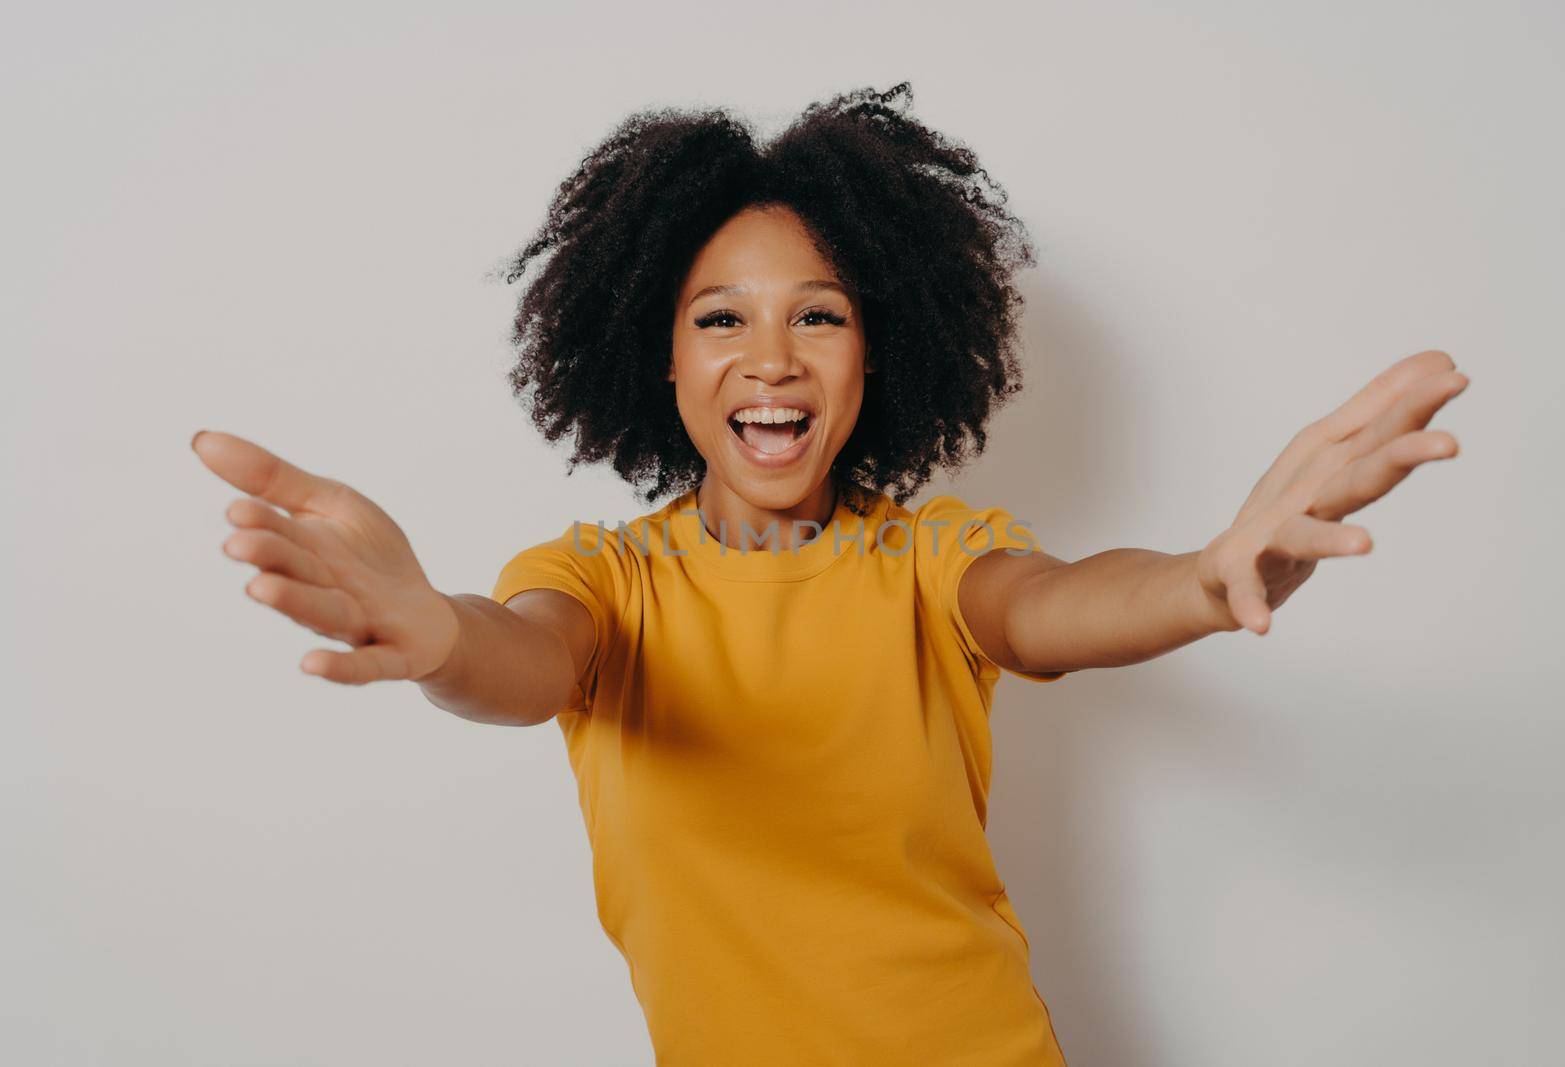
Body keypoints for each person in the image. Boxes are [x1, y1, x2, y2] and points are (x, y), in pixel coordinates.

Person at [189, 81, 1468, 1066]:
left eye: (819, 312)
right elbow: (519, 656)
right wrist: (436, 638)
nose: (772, 359)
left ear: (878, 353)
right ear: (660, 362)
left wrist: (1204, 576)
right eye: (718, 319)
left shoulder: (929, 563)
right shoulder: (604, 586)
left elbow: (1052, 607)